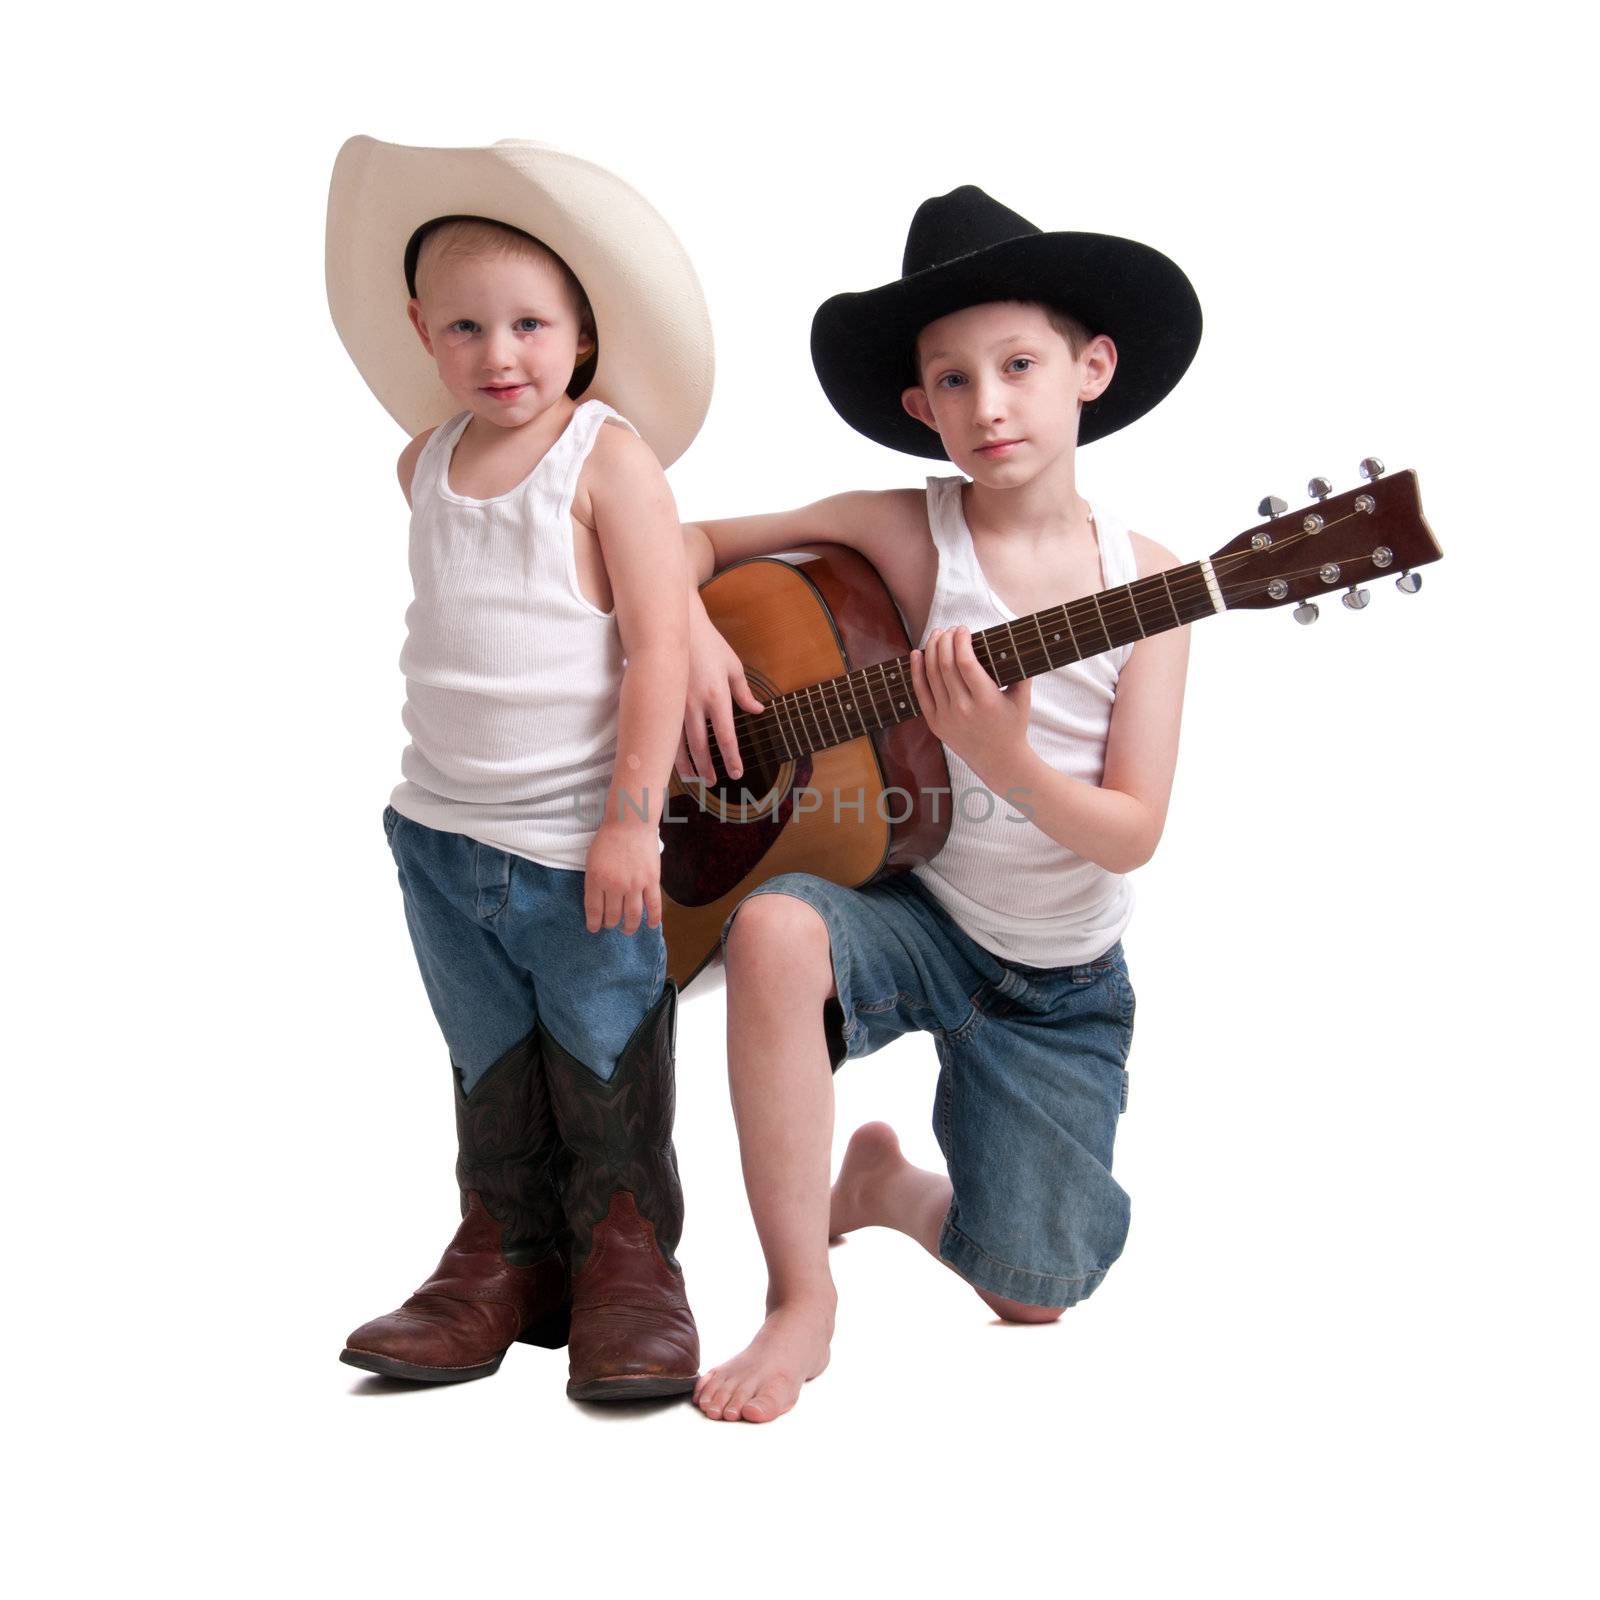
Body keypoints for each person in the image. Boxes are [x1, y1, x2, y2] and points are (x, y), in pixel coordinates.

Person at [676, 185, 1203, 1422]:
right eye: (951, 382)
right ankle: (798, 1295)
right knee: (772, 928)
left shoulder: (1161, 582)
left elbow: (1134, 829)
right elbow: (682, 542)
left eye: (1018, 365)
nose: (989, 405)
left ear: (1091, 368)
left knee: (1033, 1290)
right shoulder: (904, 534)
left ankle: (886, 1188)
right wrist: (694, 641)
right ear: (918, 408)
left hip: (1061, 977)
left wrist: (1009, 761)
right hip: (914, 906)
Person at [324, 136, 713, 1401]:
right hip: (440, 833)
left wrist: (629, 825)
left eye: (532, 325)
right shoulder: (421, 464)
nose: (501, 356)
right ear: (421, 332)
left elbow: (657, 650)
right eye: (466, 328)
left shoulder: (607, 463)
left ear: (584, 331)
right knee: (490, 1063)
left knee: (603, 1061)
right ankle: (503, 1253)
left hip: (576, 843)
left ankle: (627, 1260)